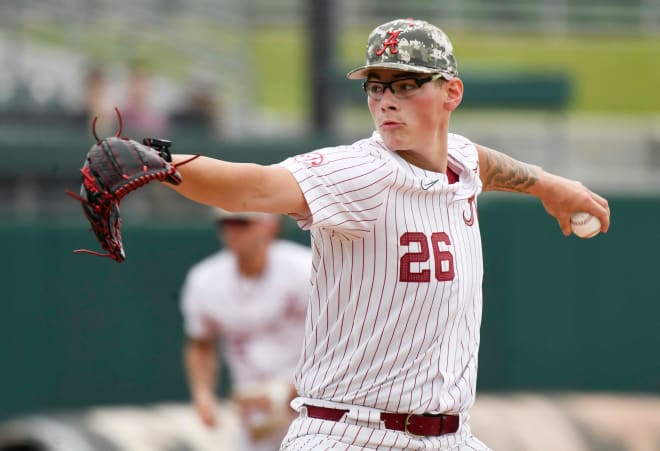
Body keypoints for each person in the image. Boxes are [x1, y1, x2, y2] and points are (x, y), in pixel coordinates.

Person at [167, 18, 610, 450]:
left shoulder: (459, 160)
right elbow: (255, 187)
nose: (386, 101)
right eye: (376, 87)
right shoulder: (360, 172)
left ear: (450, 92)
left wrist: (550, 185)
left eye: (405, 85)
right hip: (350, 433)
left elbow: (478, 160)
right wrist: (160, 165)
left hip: (450, 437)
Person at [180, 209, 311, 451]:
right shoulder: (205, 278)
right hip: (252, 408)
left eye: (242, 222)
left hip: (310, 405)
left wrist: (292, 388)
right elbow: (200, 343)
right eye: (226, 223)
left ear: (270, 225)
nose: (233, 230)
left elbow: (334, 336)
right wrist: (203, 394)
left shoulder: (306, 268)